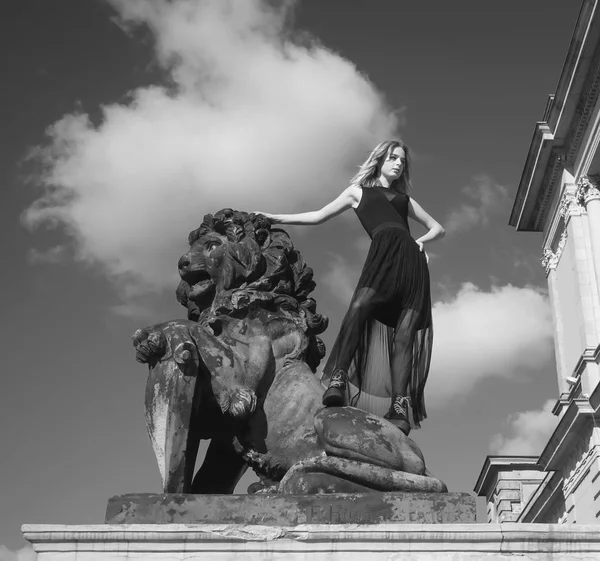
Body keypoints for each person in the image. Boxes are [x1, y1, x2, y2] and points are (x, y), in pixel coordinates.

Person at [256, 140, 444, 435]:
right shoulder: (357, 193)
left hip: (412, 264)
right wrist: (275, 218)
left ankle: (399, 407)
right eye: (393, 158)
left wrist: (421, 241)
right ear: (379, 160)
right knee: (359, 307)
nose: (398, 164)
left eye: (402, 161)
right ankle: (338, 380)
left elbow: (438, 228)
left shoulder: (404, 200)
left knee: (405, 336)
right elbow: (319, 216)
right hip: (384, 255)